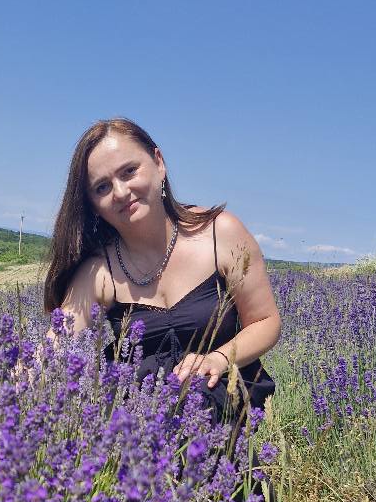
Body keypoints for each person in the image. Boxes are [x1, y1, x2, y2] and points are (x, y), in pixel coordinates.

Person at [44, 118, 281, 430]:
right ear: (93, 205)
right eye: (102, 187)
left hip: (220, 411)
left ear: (159, 163)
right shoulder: (100, 270)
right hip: (139, 428)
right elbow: (56, 345)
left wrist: (218, 359)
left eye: (129, 171)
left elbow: (265, 321)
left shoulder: (220, 233)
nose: (120, 191)